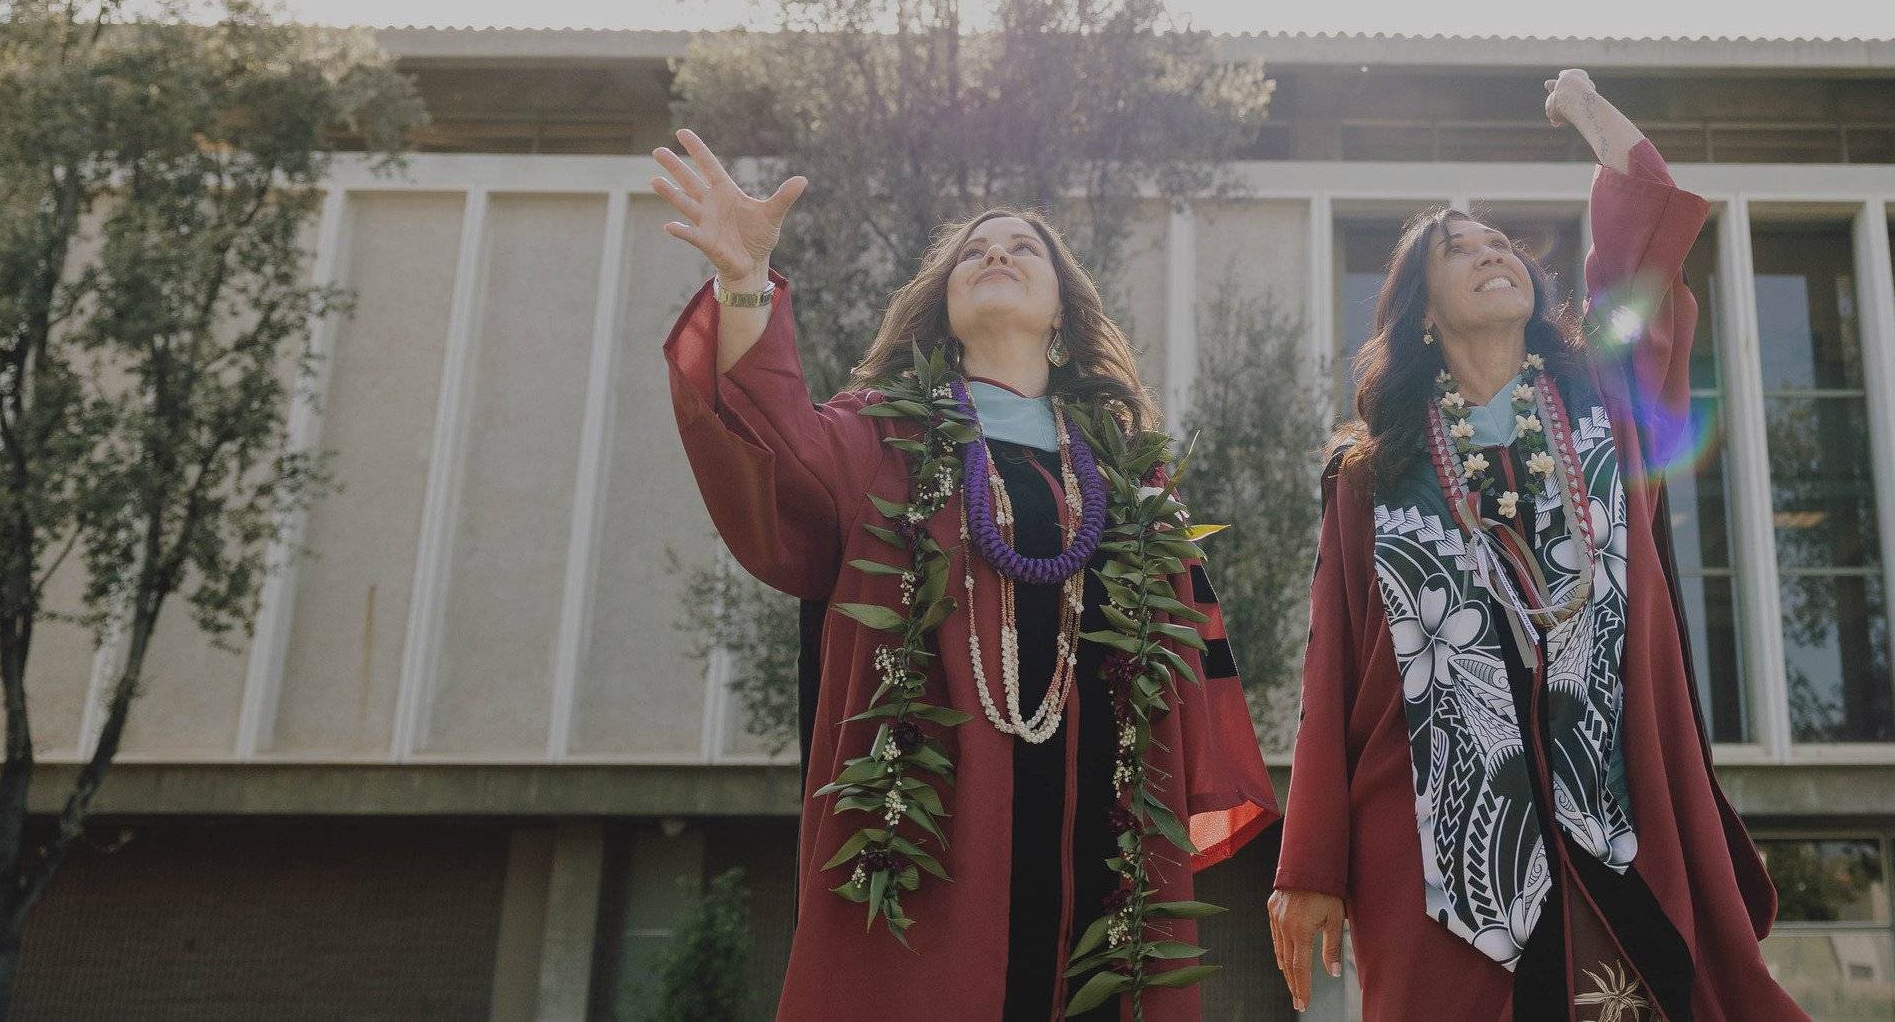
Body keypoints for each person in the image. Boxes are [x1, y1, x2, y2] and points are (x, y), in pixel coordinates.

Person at [655, 129, 1276, 1020]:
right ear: (941, 311)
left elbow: (1184, 678)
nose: (997, 254)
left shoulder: (1127, 479)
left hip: (1102, 853)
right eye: (973, 252)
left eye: (1023, 246)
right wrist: (746, 279)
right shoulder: (881, 435)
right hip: (930, 826)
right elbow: (776, 451)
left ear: (1063, 309)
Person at [1267, 72, 1811, 1021]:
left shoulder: (1605, 402)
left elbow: (1648, 235)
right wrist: (1310, 862)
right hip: (1435, 823)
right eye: (1457, 250)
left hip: (1614, 801)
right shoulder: (1372, 474)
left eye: (1499, 242)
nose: (1489, 253)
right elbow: (1331, 668)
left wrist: (1588, 112)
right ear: (1420, 313)